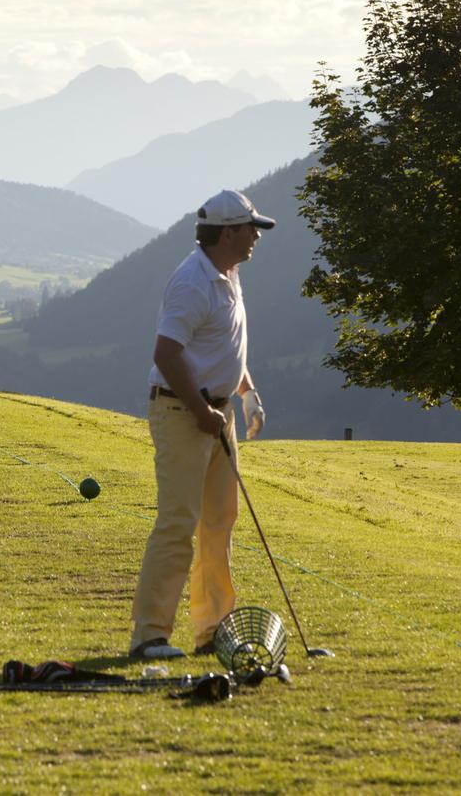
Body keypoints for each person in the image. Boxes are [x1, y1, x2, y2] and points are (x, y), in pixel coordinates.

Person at [128, 189, 273, 659]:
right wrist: (201, 411)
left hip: (218, 413)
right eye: (251, 228)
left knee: (219, 523)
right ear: (229, 232)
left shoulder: (228, 274)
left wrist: (246, 394)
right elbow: (166, 355)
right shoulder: (192, 282)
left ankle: (212, 631)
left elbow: (226, 347)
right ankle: (149, 636)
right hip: (181, 411)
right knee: (177, 522)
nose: (256, 236)